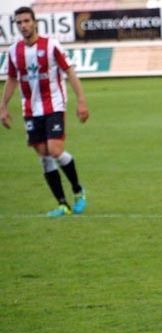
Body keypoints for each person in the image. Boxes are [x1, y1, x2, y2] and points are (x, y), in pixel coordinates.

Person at [0, 6, 88, 218]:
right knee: (43, 156)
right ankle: (62, 204)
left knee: (55, 150)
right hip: (30, 109)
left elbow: (69, 71)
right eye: (19, 22)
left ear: (34, 22)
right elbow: (12, 79)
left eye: (26, 21)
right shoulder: (14, 51)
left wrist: (81, 101)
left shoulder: (51, 46)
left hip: (54, 104)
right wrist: (3, 106)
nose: (23, 25)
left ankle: (78, 190)